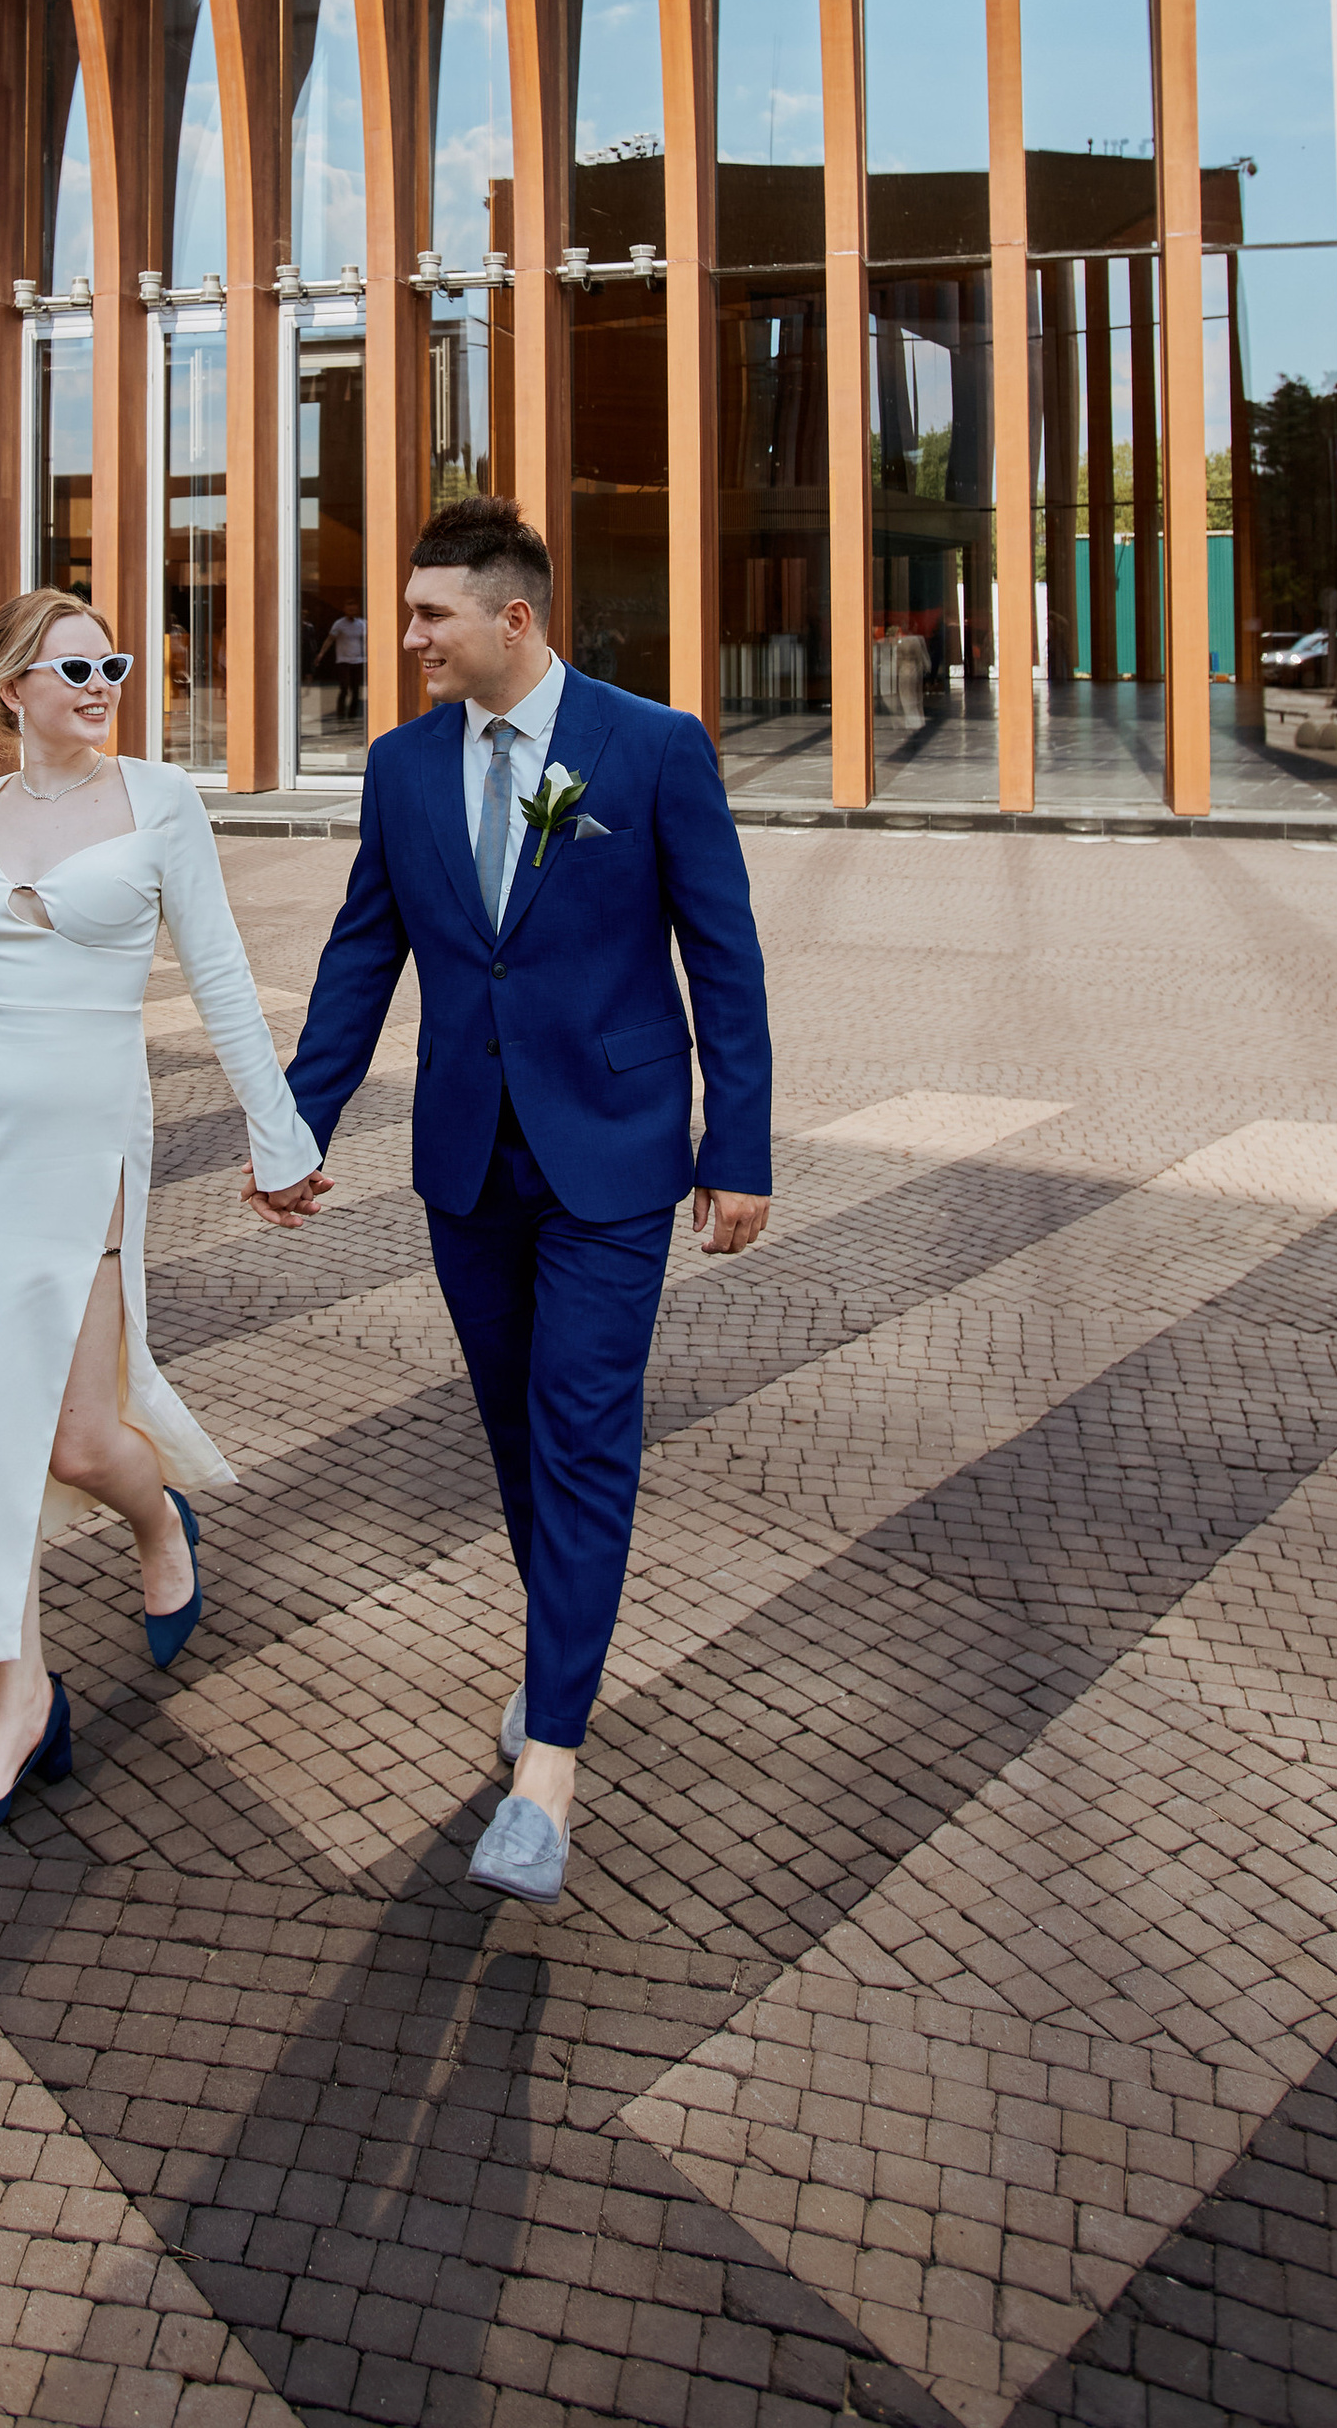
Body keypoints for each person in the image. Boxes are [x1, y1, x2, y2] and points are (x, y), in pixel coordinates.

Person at [268, 495, 772, 1902]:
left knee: (584, 1431)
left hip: (613, 1152)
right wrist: (295, 1125)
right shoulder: (402, 767)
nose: (405, 636)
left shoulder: (653, 748)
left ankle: (549, 1761)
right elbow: (363, 959)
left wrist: (739, 1148)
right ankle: (562, 1652)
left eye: (430, 615)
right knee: (511, 1433)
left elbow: (722, 964)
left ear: (514, 617)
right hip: (465, 1158)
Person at [0, 590, 323, 1845]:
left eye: (115, 662)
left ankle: (160, 1518)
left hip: (88, 1142)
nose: (101, 682)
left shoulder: (160, 802)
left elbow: (216, 977)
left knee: (83, 1442)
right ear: (7, 689)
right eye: (73, 665)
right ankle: (19, 1695)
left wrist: (277, 1134)